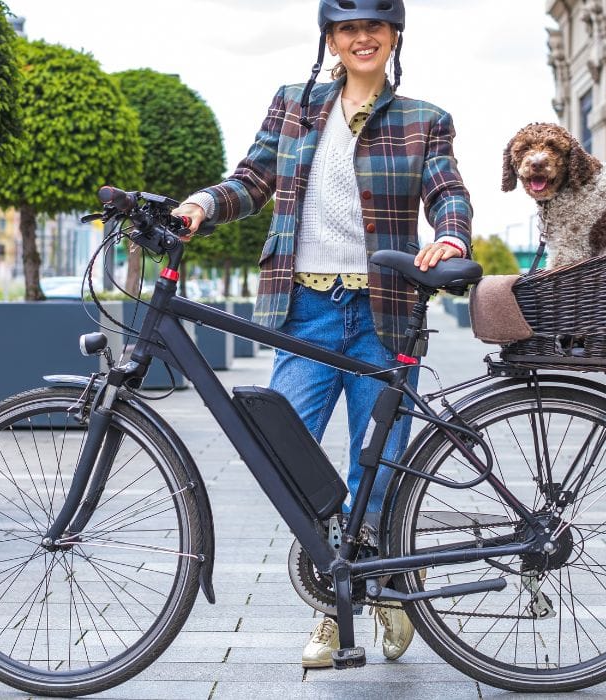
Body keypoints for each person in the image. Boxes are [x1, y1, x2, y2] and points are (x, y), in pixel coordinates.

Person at [173, 0, 472, 669]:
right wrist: (201, 204)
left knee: (383, 464)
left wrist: (450, 233)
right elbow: (253, 181)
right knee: (288, 458)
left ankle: (371, 594)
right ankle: (360, 573)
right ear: (330, 39)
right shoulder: (293, 104)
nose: (361, 38)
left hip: (381, 313)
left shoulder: (424, 119)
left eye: (373, 26)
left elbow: (447, 190)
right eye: (346, 28)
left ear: (394, 35)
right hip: (303, 308)